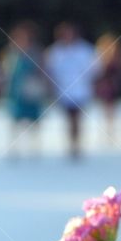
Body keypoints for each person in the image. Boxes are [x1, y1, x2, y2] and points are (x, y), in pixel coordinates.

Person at [45, 23, 98, 158]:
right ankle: (71, 143)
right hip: (63, 91)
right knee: (69, 119)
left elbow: (95, 68)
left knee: (77, 118)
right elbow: (50, 70)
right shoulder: (55, 51)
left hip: (80, 90)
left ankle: (76, 144)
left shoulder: (84, 50)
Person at [0, 21, 45, 157]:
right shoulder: (11, 53)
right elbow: (4, 71)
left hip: (31, 91)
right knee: (15, 119)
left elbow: (41, 70)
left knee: (34, 119)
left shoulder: (35, 53)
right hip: (15, 92)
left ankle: (34, 146)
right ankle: (14, 147)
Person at [94, 33, 121, 141]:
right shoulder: (101, 56)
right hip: (105, 86)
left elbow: (119, 72)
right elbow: (98, 72)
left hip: (112, 86)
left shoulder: (116, 57)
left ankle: (111, 130)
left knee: (111, 109)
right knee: (106, 109)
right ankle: (108, 130)